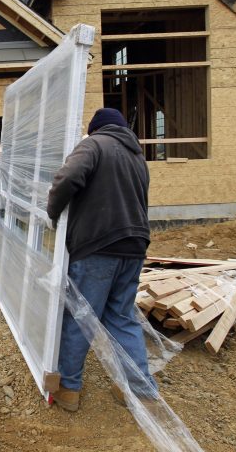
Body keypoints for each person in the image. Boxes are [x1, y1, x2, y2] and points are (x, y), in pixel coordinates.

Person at [46, 107, 155, 412]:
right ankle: (140, 389)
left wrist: (53, 212)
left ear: (96, 129)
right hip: (134, 247)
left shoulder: (93, 145)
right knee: (121, 317)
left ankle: (68, 388)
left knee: (81, 317)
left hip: (98, 246)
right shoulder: (136, 156)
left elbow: (67, 177)